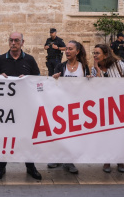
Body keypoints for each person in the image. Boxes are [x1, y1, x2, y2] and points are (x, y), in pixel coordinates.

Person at [0, 32, 42, 181]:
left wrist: (27, 79)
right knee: (3, 138)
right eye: (11, 40)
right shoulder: (1, 59)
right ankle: (1, 167)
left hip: (25, 108)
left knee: (27, 138)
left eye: (16, 40)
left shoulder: (30, 60)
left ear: (22, 42)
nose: (13, 43)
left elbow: (37, 79)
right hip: (5, 108)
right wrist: (0, 77)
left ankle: (30, 166)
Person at [48, 40, 90, 174]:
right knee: (60, 133)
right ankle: (58, 157)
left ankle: (69, 161)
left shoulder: (83, 67)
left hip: (78, 106)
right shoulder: (60, 66)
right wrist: (54, 79)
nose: (67, 51)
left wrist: (90, 79)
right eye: (66, 49)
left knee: (73, 135)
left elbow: (88, 86)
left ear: (77, 52)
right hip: (62, 106)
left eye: (70, 49)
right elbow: (53, 85)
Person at [91, 43, 124, 173]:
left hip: (119, 106)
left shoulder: (119, 65)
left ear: (106, 54)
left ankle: (121, 160)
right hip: (104, 107)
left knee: (119, 134)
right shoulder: (95, 69)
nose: (95, 55)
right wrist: (97, 70)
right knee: (106, 134)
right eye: (94, 53)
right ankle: (107, 160)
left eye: (97, 53)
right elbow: (97, 87)